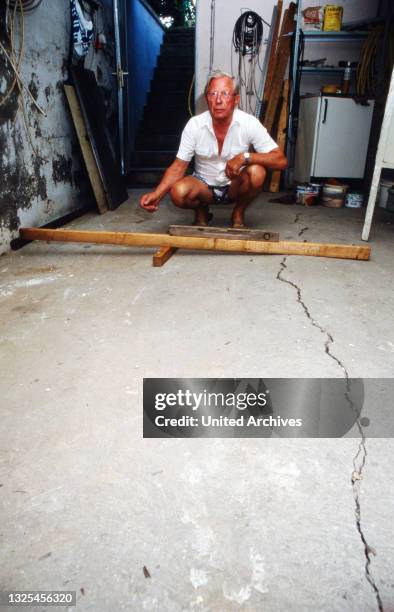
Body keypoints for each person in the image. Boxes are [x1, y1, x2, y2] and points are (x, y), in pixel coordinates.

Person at [140, 70, 287, 227]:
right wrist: (157, 194)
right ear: (206, 99)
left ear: (236, 99)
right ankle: (201, 209)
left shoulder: (248, 123)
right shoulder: (194, 125)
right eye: (213, 94)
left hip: (234, 186)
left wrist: (245, 157)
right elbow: (178, 167)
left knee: (257, 172)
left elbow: (280, 160)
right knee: (178, 193)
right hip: (203, 187)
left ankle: (238, 211)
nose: (218, 100)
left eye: (225, 93)